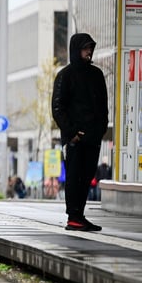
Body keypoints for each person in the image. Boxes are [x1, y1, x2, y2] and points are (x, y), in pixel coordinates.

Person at [51, 32, 108, 231]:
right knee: (74, 176)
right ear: (76, 50)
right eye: (85, 48)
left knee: (86, 176)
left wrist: (99, 130)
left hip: (92, 138)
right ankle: (73, 216)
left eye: (90, 48)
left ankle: (79, 215)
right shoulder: (65, 76)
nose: (89, 52)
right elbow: (58, 108)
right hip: (74, 139)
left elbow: (103, 107)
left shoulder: (96, 75)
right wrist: (72, 133)